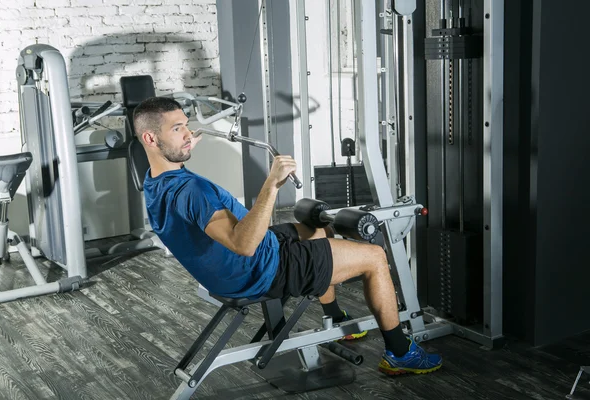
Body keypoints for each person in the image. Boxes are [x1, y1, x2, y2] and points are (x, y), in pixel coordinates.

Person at [133, 97, 442, 376]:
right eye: (177, 129)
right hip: (259, 269)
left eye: (187, 126)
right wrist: (271, 184)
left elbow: (221, 228)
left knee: (320, 230)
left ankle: (334, 316)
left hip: (241, 263)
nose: (189, 134)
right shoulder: (192, 190)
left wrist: (180, 142)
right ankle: (400, 353)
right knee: (375, 257)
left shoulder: (155, 181)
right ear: (150, 138)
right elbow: (244, 245)